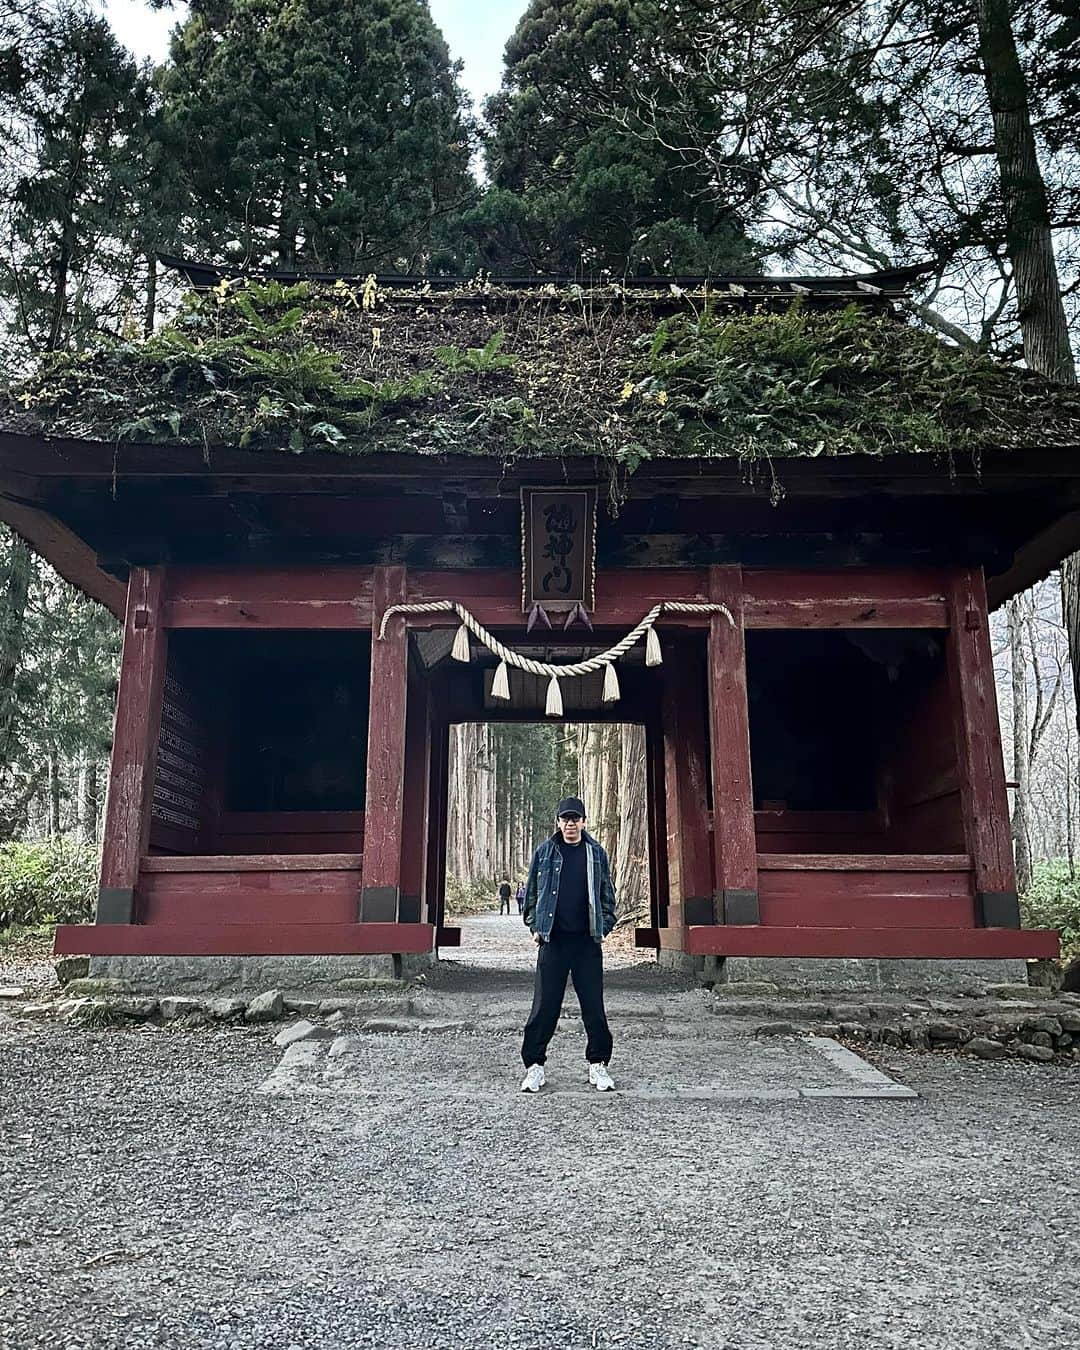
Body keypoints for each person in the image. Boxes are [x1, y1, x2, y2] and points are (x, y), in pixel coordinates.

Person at [520, 796, 617, 1093]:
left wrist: (604, 928)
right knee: (544, 1007)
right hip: (554, 940)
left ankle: (598, 1064)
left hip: (587, 942)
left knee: (593, 1007)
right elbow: (531, 895)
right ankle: (534, 1066)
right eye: (565, 819)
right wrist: (535, 927)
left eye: (575, 819)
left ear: (584, 822)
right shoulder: (545, 852)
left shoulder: (595, 853)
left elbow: (607, 896)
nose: (570, 824)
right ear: (558, 822)